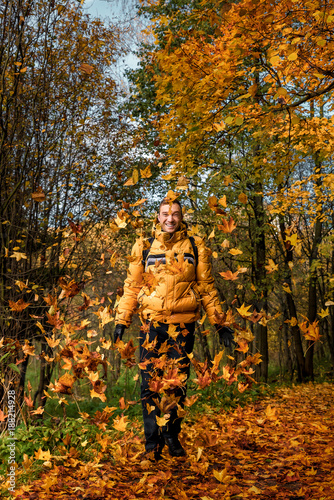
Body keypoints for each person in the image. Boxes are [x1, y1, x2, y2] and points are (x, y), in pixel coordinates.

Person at [113, 197, 233, 461]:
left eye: (175, 214)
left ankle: (171, 436)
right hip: (152, 325)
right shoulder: (143, 246)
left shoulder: (195, 245)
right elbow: (132, 287)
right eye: (165, 213)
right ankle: (151, 443)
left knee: (176, 385)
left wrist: (220, 324)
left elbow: (207, 287)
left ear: (181, 217)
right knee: (150, 387)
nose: (170, 218)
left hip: (183, 325)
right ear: (158, 217)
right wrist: (122, 320)